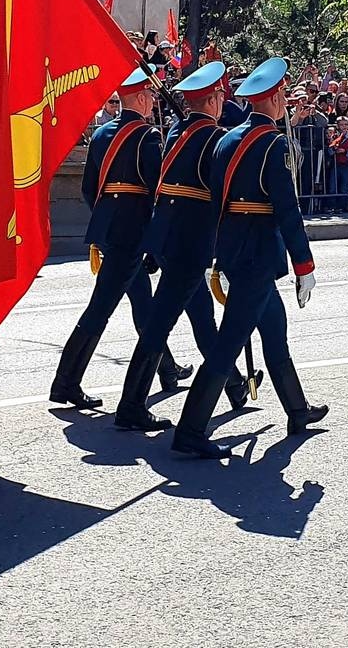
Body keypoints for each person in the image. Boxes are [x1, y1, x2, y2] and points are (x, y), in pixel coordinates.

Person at [172, 58, 327, 459]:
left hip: (235, 249)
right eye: (283, 97)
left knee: (275, 331)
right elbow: (287, 208)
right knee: (228, 344)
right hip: (259, 254)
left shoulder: (225, 140)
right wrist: (304, 264)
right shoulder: (273, 144)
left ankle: (297, 409)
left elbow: (217, 200)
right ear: (275, 98)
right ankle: (190, 431)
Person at [111, 61, 250, 431]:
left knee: (201, 316)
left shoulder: (177, 131)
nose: (224, 100)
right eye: (221, 95)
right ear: (214, 99)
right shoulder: (212, 138)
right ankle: (131, 405)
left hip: (170, 235)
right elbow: (222, 193)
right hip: (192, 239)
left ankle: (234, 385)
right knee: (160, 323)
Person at [51, 66, 186, 408]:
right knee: (100, 309)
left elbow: (89, 189)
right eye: (152, 96)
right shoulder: (147, 137)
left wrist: (108, 221)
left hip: (111, 231)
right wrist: (157, 239)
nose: (154, 101)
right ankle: (65, 381)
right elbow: (158, 192)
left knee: (144, 303)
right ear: (141, 97)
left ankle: (167, 369)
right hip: (134, 235)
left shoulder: (101, 135)